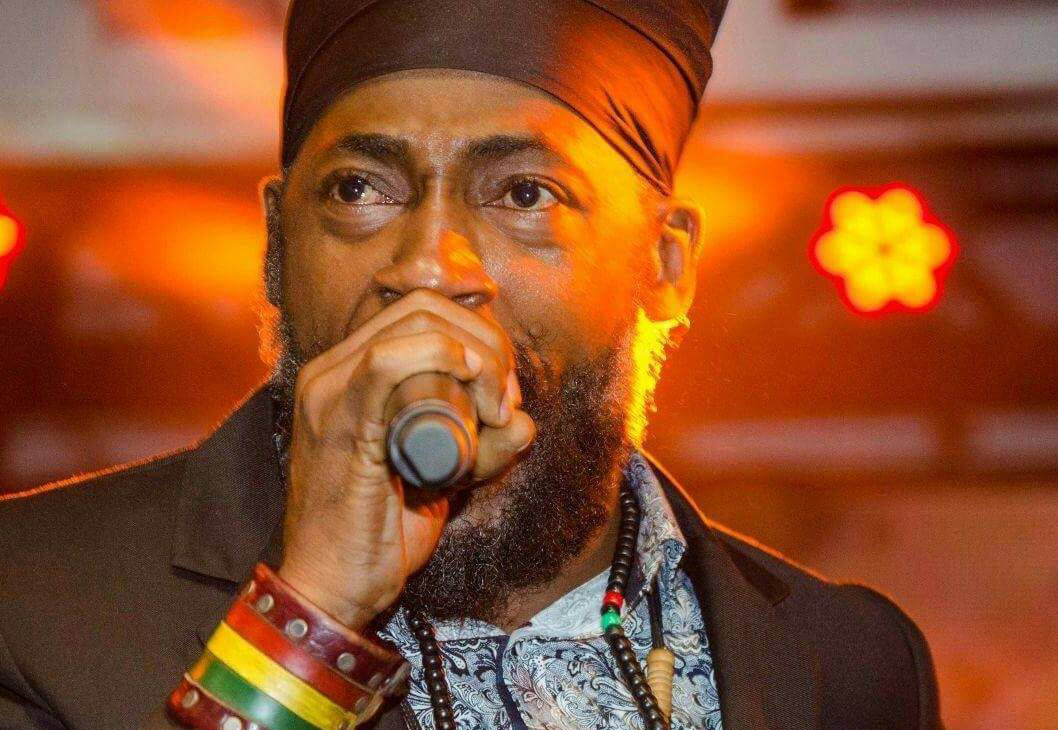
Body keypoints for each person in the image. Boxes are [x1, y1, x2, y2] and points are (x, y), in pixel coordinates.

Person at [0, 1, 942, 729]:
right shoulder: (31, 599)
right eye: (360, 189)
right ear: (278, 249)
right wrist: (312, 613)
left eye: (525, 193)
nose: (430, 266)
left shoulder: (848, 661)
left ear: (664, 263)